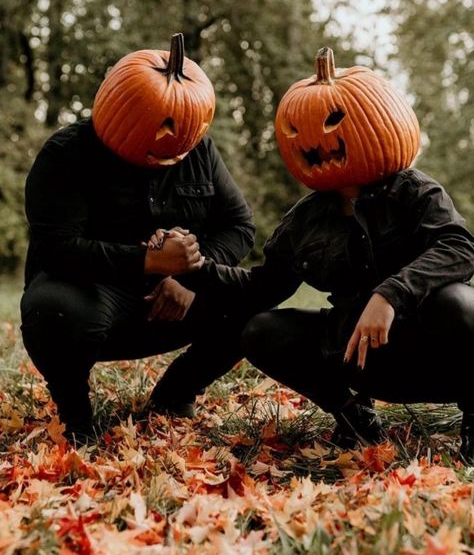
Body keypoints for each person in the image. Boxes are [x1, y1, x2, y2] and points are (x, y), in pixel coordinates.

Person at [189, 47, 474, 464]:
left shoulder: (414, 191)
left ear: (381, 121)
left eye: (333, 120)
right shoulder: (304, 220)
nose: (314, 138)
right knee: (261, 329)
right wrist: (194, 267)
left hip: (430, 350)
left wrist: (390, 295)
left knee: (460, 304)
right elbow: (262, 289)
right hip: (359, 355)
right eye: (294, 128)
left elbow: (459, 248)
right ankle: (354, 415)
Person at [20, 34, 254, 445]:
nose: (173, 139)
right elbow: (55, 249)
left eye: (186, 127)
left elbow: (238, 226)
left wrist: (186, 278)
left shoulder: (197, 150)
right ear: (117, 108)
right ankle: (76, 416)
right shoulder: (66, 154)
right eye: (163, 123)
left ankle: (174, 396)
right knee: (51, 308)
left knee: (252, 301)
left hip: (171, 301)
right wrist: (148, 262)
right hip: (91, 304)